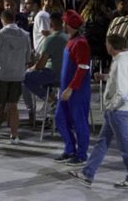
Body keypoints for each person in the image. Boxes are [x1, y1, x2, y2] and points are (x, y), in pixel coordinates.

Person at [68, 34, 128, 189]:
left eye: (107, 44)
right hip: (116, 109)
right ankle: (87, 173)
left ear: (111, 46)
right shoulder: (124, 60)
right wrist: (105, 76)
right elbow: (120, 79)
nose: (105, 46)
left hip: (118, 110)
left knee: (125, 144)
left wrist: (112, 106)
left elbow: (122, 91)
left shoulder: (121, 63)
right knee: (102, 142)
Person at [0, 10, 31, 144]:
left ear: (3, 20)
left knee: (0, 105)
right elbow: (28, 56)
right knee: (14, 105)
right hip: (18, 75)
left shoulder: (0, 34)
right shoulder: (25, 35)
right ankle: (14, 136)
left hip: (2, 74)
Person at [53, 10, 91, 166]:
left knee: (80, 121)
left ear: (68, 25)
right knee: (59, 118)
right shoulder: (72, 41)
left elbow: (82, 68)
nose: (62, 24)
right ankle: (70, 150)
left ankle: (81, 154)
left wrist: (71, 88)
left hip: (77, 90)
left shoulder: (80, 43)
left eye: (64, 22)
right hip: (67, 89)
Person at [23, 12, 68, 124]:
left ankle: (51, 101)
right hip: (66, 75)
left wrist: (31, 68)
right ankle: (52, 102)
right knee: (42, 81)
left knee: (25, 78)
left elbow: (41, 65)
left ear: (51, 24)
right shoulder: (68, 38)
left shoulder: (50, 39)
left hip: (53, 74)